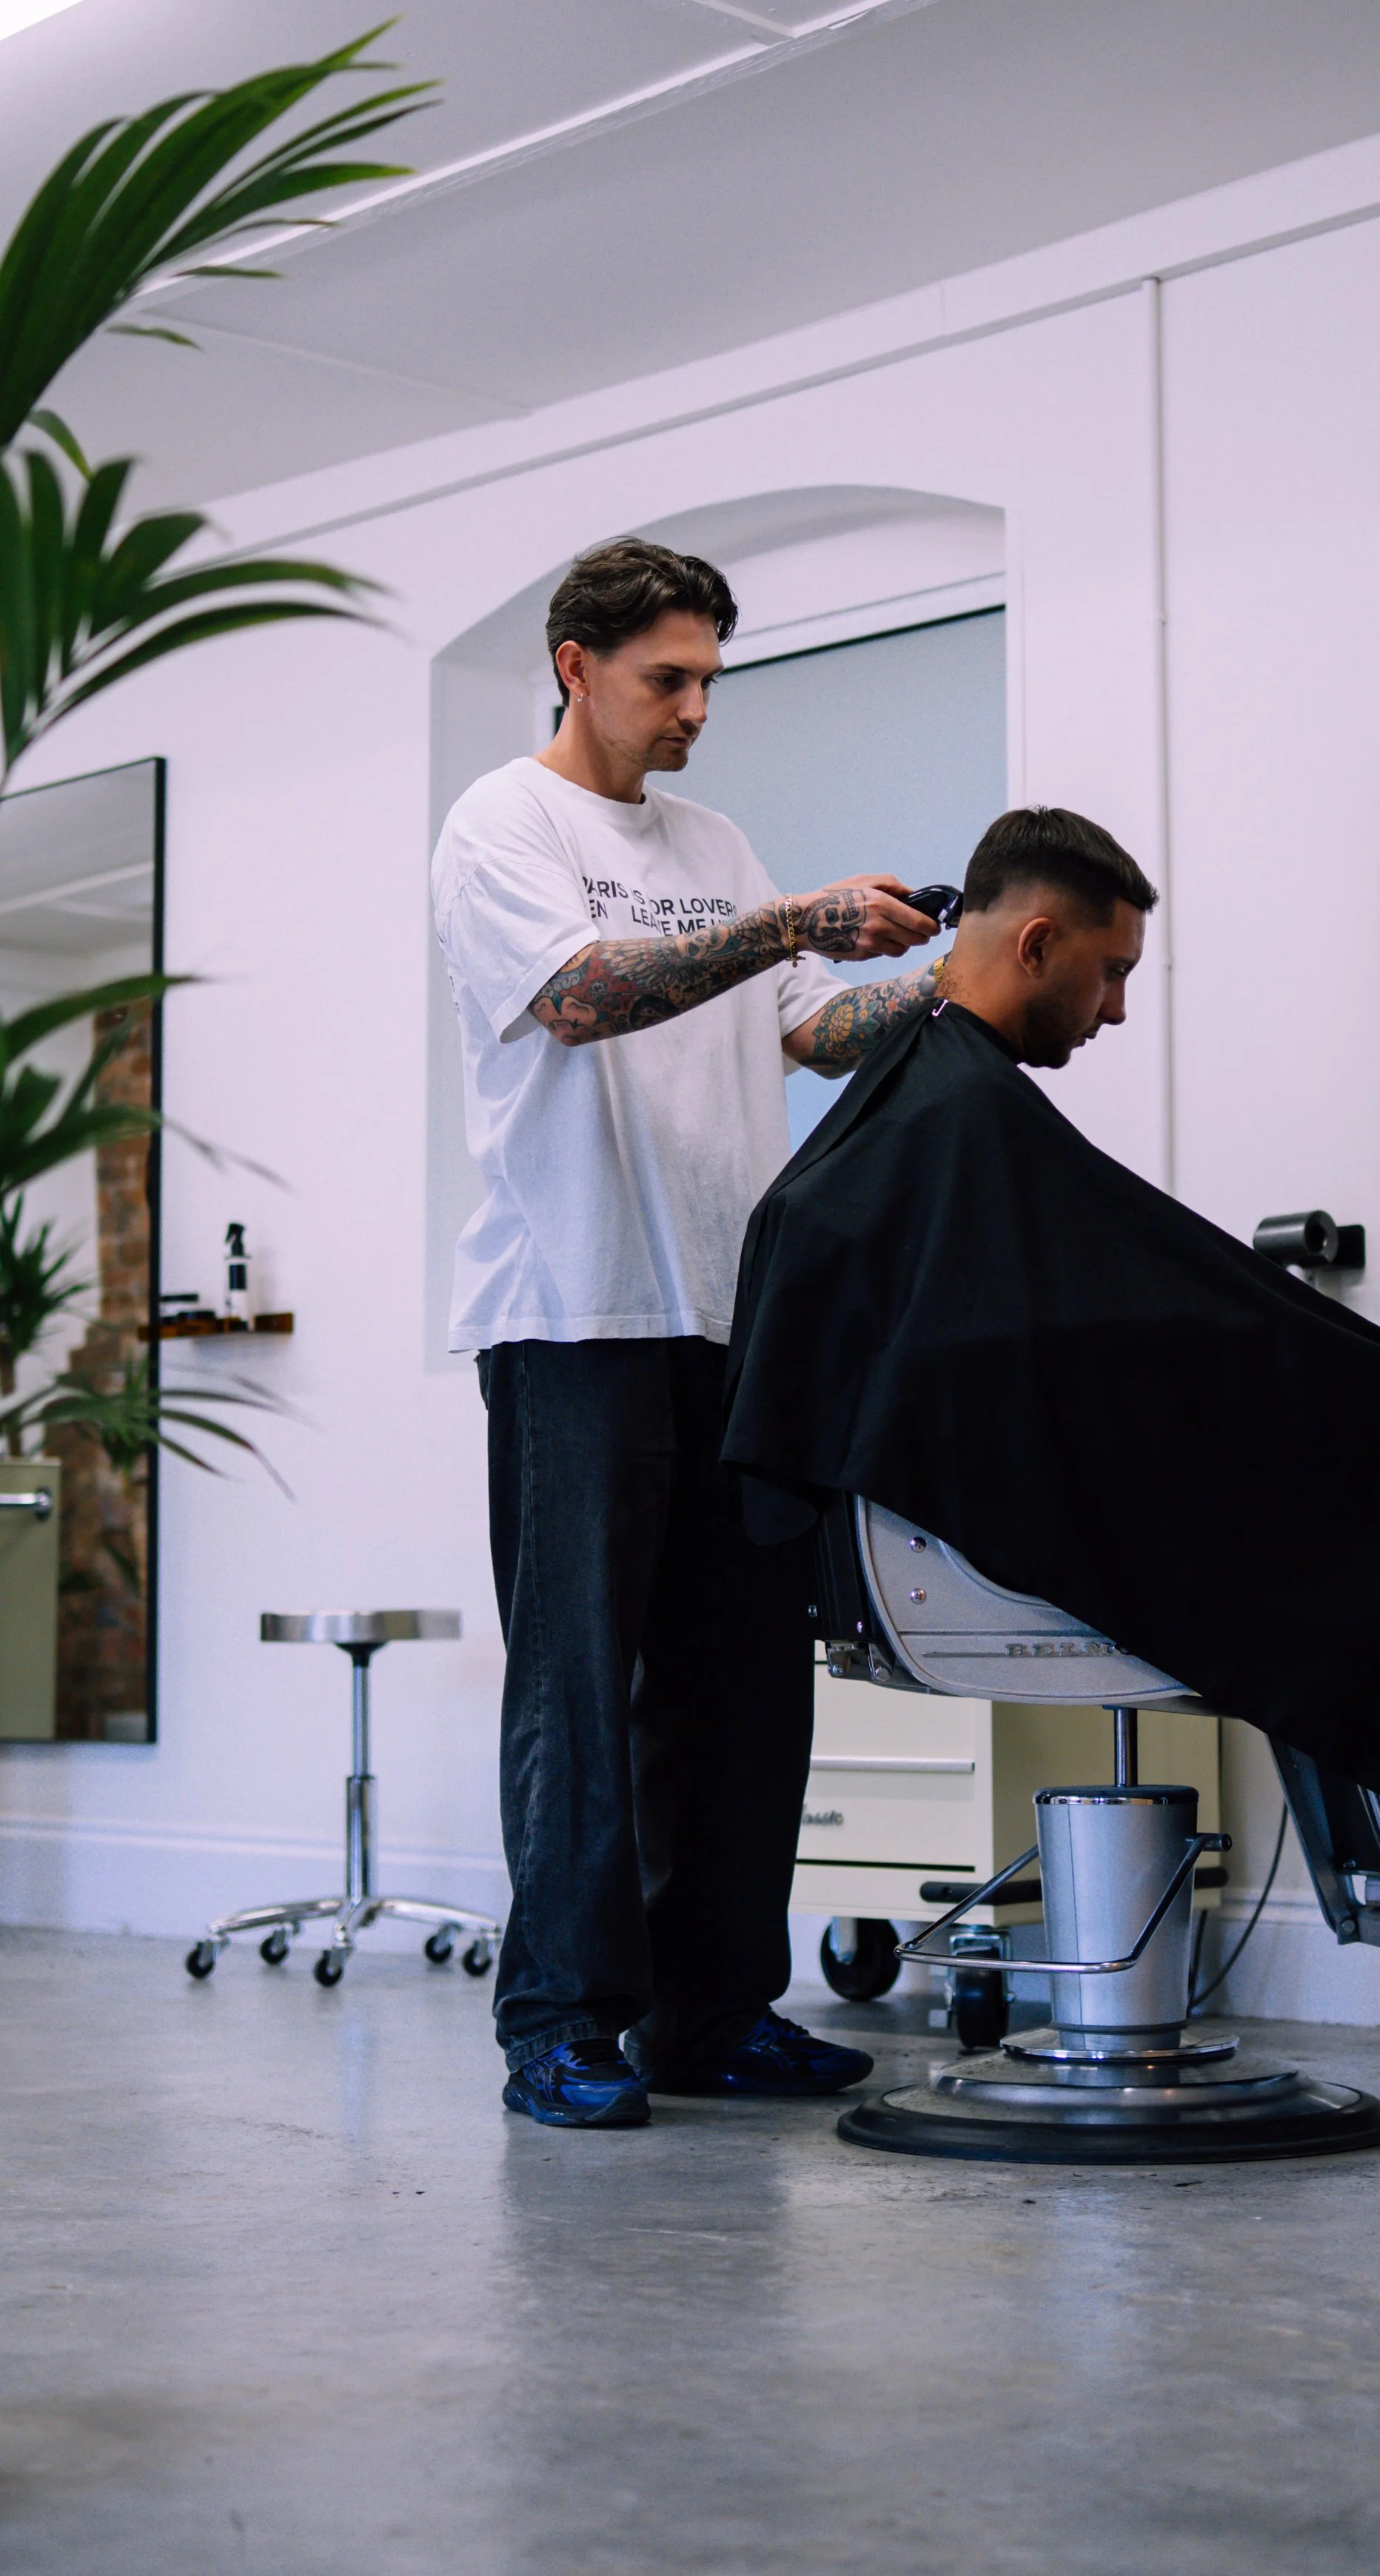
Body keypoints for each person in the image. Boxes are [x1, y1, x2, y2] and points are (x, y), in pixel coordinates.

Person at [723, 806, 1380, 1985]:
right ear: (1036, 945)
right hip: (997, 1546)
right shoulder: (955, 1114)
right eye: (1112, 973)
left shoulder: (933, 1111)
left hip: (970, 1533)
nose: (1120, 1009)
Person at [432, 534, 957, 2130]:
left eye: (712, 680)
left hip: (730, 1322)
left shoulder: (719, 841)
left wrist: (945, 977)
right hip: (571, 1315)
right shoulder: (498, 825)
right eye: (668, 678)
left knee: (741, 1690)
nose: (694, 710)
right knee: (581, 1688)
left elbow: (803, 1032)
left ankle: (713, 2014)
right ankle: (565, 2026)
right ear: (575, 664)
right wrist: (786, 922)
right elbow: (584, 997)